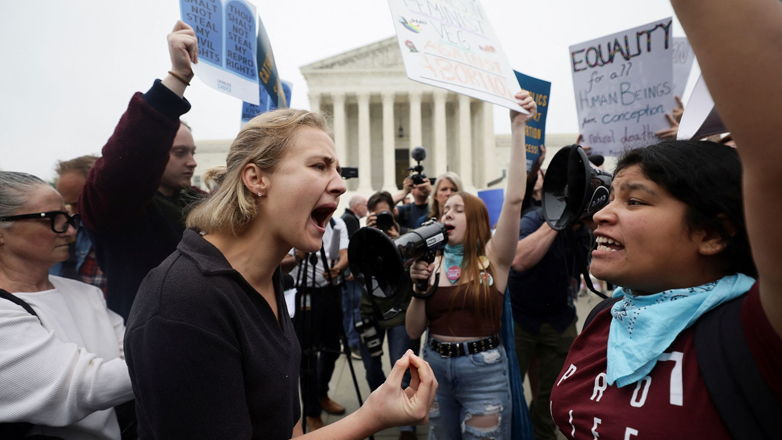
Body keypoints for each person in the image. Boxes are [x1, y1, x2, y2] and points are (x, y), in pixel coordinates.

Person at [123, 25, 437, 440]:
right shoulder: (184, 305)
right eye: (320, 166)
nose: (341, 184)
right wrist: (370, 418)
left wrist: (374, 414)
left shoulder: (266, 280)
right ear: (256, 178)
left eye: (338, 170)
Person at [548, 1, 782, 435]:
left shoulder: (758, 330)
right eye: (610, 197)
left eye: (634, 201)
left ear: (711, 234)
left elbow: (774, 167)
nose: (600, 214)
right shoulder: (607, 318)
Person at [406, 91, 537, 439]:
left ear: (477, 219)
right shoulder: (430, 263)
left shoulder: (495, 258)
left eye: (458, 210)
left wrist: (517, 127)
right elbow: (413, 331)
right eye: (445, 210)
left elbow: (514, 200)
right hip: (435, 368)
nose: (447, 214)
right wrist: (418, 290)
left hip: (484, 373)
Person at [79, 22, 202, 321]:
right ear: (155, 152)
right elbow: (125, 168)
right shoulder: (119, 210)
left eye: (193, 152)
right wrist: (177, 79)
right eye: (179, 153)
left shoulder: (201, 204)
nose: (193, 162)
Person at [0, 172, 133, 440]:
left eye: (69, 218)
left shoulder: (86, 294)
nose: (71, 231)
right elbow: (82, 388)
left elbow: (132, 351)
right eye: (52, 219)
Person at [507, 204, 592, 440]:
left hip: (560, 317)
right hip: (521, 316)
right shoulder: (534, 220)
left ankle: (543, 433)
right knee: (507, 386)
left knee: (557, 390)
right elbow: (519, 260)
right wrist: (557, 221)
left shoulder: (583, 230)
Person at [362, 190, 418, 440]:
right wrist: (366, 237)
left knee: (403, 366)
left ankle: (407, 426)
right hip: (370, 312)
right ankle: (380, 412)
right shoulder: (363, 240)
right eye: (376, 217)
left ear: (393, 212)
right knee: (372, 369)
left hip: (399, 312)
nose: (381, 220)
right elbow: (354, 272)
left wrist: (398, 241)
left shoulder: (408, 236)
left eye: (384, 214)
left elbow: (417, 268)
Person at [289, 215, 349, 430]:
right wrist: (297, 256)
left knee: (333, 347)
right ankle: (312, 411)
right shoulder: (294, 221)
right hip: (304, 293)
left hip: (330, 291)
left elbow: (345, 254)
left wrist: (339, 268)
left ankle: (321, 393)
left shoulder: (336, 223)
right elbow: (280, 262)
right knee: (307, 354)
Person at [50, 155, 107, 293]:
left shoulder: (117, 235)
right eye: (67, 203)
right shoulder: (59, 228)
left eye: (79, 203)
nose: (72, 212)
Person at [341, 195, 367, 357]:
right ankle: (353, 343)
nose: (367, 208)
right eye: (365, 205)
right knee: (355, 307)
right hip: (352, 272)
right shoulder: (350, 220)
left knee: (349, 308)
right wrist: (351, 269)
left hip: (348, 271)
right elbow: (350, 247)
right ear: (356, 206)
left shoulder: (347, 218)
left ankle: (348, 342)